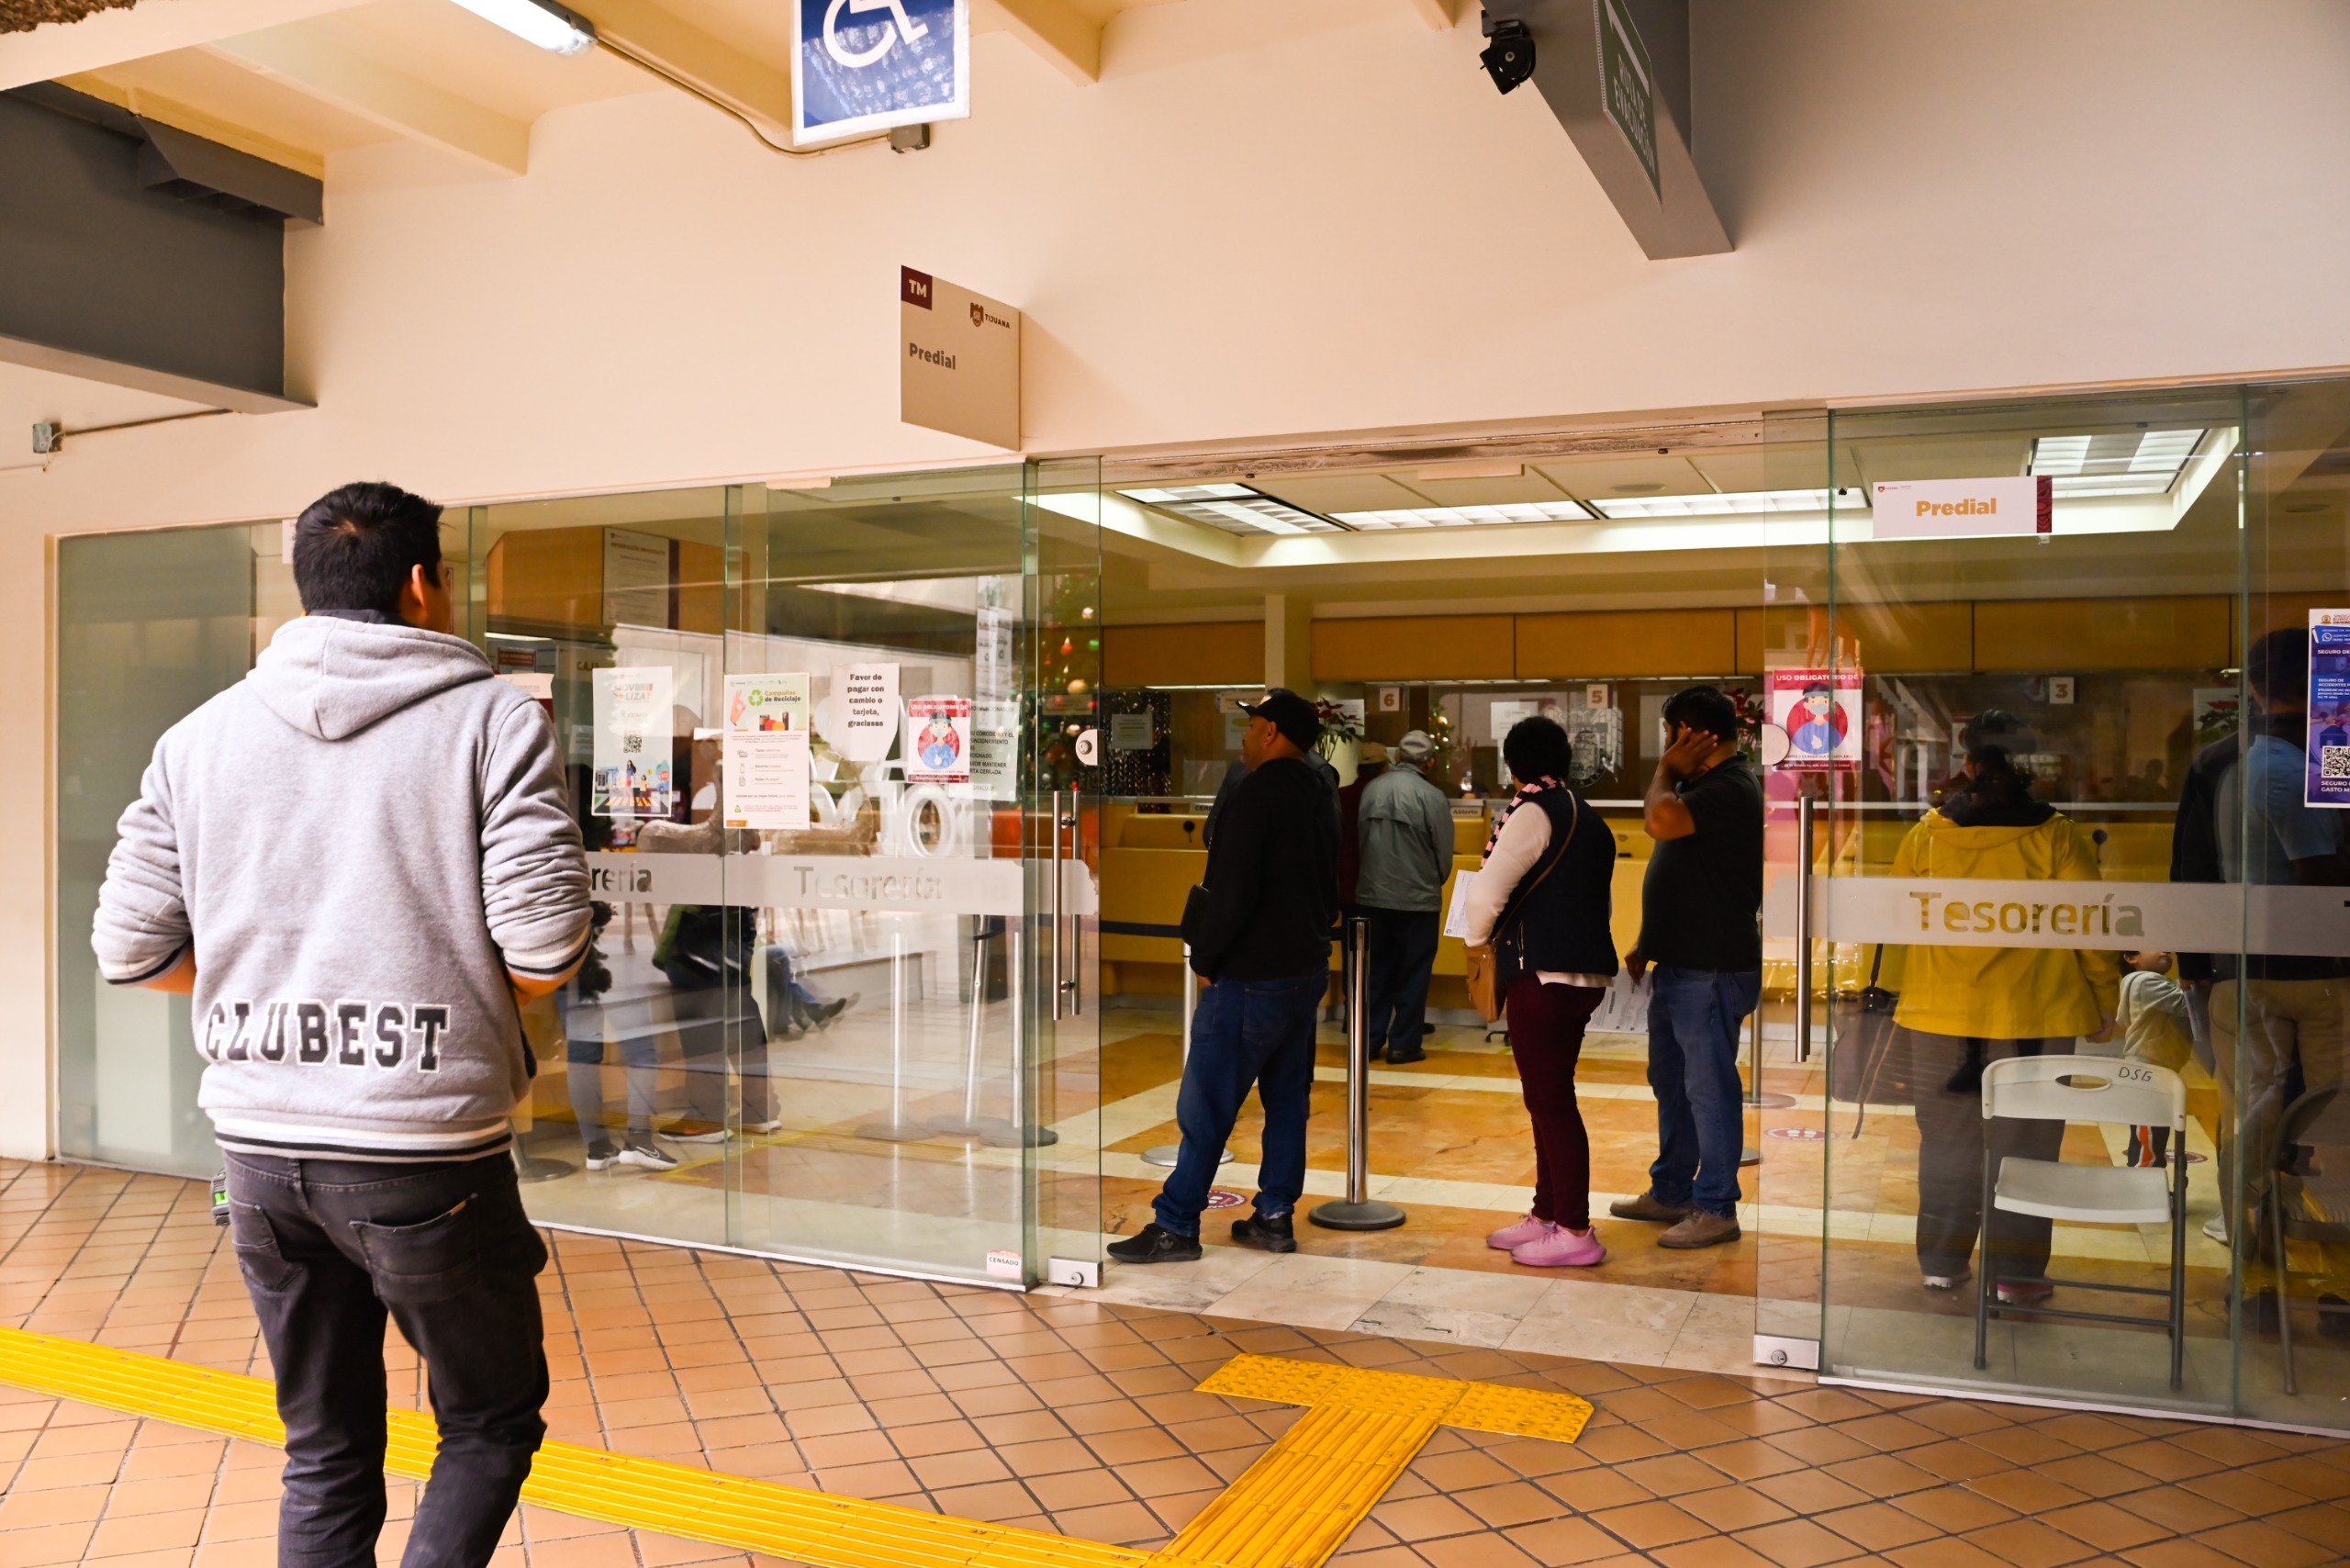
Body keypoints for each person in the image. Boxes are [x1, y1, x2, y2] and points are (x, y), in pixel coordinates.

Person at [91, 482, 591, 1568]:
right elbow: (547, 949)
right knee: (489, 1419)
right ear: (422, 584)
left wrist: (278, 996)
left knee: (324, 1446)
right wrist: (440, 988)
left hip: (260, 1154)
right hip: (425, 1151)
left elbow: (130, 949)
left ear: (307, 590)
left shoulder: (198, 737)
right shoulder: (493, 718)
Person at [1883, 711, 2119, 1303]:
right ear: (2029, 764)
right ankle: (2016, 1273)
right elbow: (2089, 928)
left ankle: (1942, 1261)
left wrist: (1895, 996)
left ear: (1967, 763)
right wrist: (2104, 999)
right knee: (2029, 1148)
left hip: (1940, 1017)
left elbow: (1894, 923)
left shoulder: (1928, 834)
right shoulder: (2057, 836)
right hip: (2037, 1017)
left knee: (1946, 1142)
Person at [1111, 688, 1338, 1263]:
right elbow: (1332, 884)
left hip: (1250, 976)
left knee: (1207, 1104)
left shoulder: (1255, 792)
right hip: (1304, 971)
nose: (1245, 735)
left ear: (1271, 732)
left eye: (1253, 724)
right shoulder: (1321, 791)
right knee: (1287, 1100)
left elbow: (1232, 889)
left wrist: (1206, 960)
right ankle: (1274, 1216)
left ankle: (1176, 1224)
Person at [2206, 629, 2350, 1247]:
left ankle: (2256, 1234)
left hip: (2259, 964)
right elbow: (2321, 873)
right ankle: (2267, 1233)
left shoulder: (2260, 762)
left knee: (2262, 1111)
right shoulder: (2285, 770)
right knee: (2321, 1115)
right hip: (2306, 969)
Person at [1464, 716, 1618, 1266]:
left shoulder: (1532, 811)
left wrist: (1475, 948)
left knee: (1551, 1104)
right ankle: (1547, 1213)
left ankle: (1574, 1230)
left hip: (1541, 974)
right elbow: (1600, 904)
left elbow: (1485, 895)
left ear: (1513, 765)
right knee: (1548, 1097)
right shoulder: (1588, 816)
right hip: (1582, 975)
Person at [1615, 686, 1764, 1249]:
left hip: (1712, 968)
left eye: (1668, 733)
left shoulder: (1731, 786)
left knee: (1709, 1088)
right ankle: (1672, 1190)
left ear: (1687, 733)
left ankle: (1717, 1206)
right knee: (1672, 1083)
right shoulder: (1702, 787)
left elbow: (1660, 822)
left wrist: (1664, 772)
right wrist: (1649, 939)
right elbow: (1688, 868)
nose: (1665, 745)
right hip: (1681, 962)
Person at [1356, 729, 1455, 1065]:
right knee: (1414, 974)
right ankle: (1404, 1044)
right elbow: (1443, 854)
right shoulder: (1433, 797)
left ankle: (1368, 1041)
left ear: (1397, 757)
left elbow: (1360, 839)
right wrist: (1431, 881)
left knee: (1375, 973)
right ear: (1430, 762)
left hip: (1372, 896)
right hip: (1418, 899)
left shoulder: (1372, 789)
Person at [2115, 950, 2194, 1168]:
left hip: (2157, 1068)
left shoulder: (2157, 982)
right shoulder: (2144, 981)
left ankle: (2150, 1177)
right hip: (2147, 1070)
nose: (2165, 950)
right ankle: (2142, 1181)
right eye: (2154, 944)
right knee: (2147, 1139)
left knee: (2155, 1133)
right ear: (2131, 957)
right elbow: (2186, 1004)